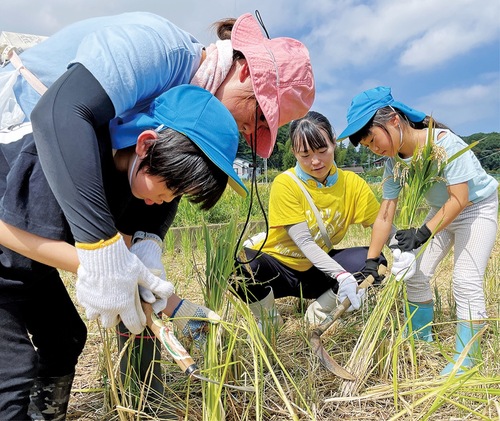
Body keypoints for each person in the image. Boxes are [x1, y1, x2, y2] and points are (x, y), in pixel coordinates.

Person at [0, 11, 315, 419]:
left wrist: (161, 286)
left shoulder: (160, 139)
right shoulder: (158, 52)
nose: (248, 133)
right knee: (15, 374)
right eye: (258, 118)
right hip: (18, 153)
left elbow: (149, 201)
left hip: (26, 256)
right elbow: (59, 115)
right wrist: (100, 256)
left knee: (64, 336)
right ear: (243, 71)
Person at [0, 84, 248, 420]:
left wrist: (174, 306)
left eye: (180, 194)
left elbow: (125, 260)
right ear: (146, 144)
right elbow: (11, 232)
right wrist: (103, 270)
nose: (167, 200)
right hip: (9, 251)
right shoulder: (73, 156)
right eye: (171, 186)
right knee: (14, 371)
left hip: (25, 269)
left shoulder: (131, 182)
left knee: (66, 338)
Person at [337, 86, 498, 375]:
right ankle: (422, 339)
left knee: (464, 279)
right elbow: (386, 212)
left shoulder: (445, 144)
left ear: (394, 121)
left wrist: (422, 233)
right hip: (441, 211)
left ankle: (468, 358)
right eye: (368, 145)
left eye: (374, 139)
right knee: (416, 274)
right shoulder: (393, 163)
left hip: (476, 207)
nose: (375, 149)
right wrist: (371, 261)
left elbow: (460, 199)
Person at [235, 111, 387, 332]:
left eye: (322, 150)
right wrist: (342, 275)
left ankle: (319, 312)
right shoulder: (286, 184)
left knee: (375, 261)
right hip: (277, 271)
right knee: (238, 263)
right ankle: (268, 320)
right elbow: (304, 242)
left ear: (334, 143)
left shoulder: (352, 184)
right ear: (294, 153)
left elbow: (382, 226)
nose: (315, 161)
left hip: (317, 271)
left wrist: (403, 245)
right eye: (305, 155)